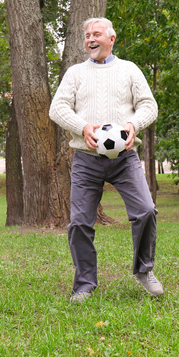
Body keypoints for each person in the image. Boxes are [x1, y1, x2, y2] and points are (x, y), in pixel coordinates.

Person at [49, 17, 161, 302]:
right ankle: (85, 283)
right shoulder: (75, 73)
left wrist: (134, 124)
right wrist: (83, 127)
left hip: (125, 158)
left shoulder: (129, 70)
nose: (90, 39)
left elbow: (148, 105)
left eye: (96, 34)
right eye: (87, 35)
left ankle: (143, 271)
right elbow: (57, 108)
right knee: (80, 223)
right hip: (86, 160)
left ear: (112, 38)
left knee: (146, 210)